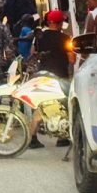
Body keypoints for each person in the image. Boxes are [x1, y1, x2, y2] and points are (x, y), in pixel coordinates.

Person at [27, 9, 75, 150]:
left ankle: (32, 138)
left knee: (42, 105)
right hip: (59, 76)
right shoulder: (65, 39)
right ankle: (62, 137)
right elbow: (72, 59)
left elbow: (32, 53)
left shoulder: (39, 36)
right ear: (60, 23)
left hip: (42, 74)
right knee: (63, 105)